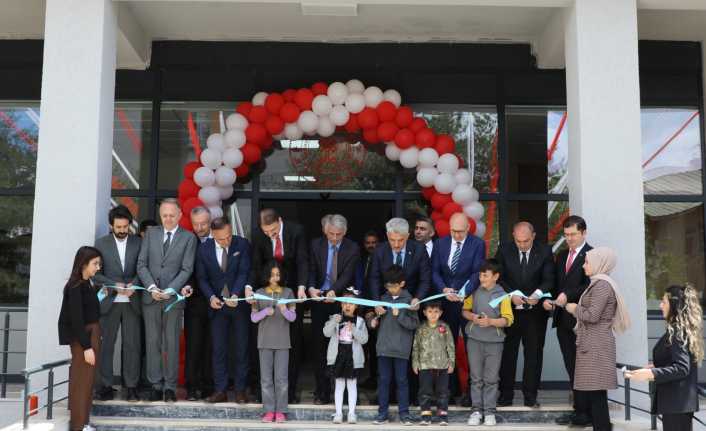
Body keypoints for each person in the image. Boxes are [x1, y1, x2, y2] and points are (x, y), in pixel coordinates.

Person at [137, 198, 197, 402]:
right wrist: (152, 287)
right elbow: (141, 264)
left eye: (172, 215)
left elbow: (187, 269)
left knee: (171, 343)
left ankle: (170, 387)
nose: (168, 219)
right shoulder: (151, 234)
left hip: (173, 299)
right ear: (160, 216)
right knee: (152, 342)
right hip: (151, 296)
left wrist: (171, 289)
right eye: (164, 215)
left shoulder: (189, 238)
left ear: (180, 215)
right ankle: (155, 384)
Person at [246, 208, 308, 403]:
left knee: (293, 342)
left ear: (280, 221)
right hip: (266, 290)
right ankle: (261, 392)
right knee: (262, 340)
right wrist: (249, 287)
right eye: (266, 232)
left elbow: (302, 261)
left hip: (291, 290)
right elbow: (255, 264)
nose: (270, 235)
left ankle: (290, 392)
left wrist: (301, 287)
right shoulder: (257, 234)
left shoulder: (296, 231)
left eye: (273, 231)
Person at [565, 247, 630, 431]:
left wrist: (573, 309)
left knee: (597, 396)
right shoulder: (598, 283)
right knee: (595, 395)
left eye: (587, 262)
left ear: (599, 263)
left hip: (596, 346)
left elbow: (593, 315)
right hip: (593, 344)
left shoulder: (601, 285)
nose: (584, 266)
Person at [626, 284, 703, 431]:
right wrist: (655, 367)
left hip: (677, 405)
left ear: (674, 305)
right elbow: (675, 361)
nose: (660, 305)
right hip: (677, 405)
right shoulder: (677, 330)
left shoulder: (677, 332)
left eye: (664, 302)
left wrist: (652, 374)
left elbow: (682, 368)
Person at [495, 221, 554, 407]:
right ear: (513, 236)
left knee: (534, 355)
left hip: (535, 313)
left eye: (526, 241)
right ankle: (505, 395)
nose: (522, 245)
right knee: (507, 354)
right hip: (510, 312)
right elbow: (499, 277)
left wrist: (537, 295)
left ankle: (531, 396)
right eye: (518, 241)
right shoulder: (504, 250)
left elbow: (549, 279)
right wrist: (512, 295)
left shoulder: (544, 251)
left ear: (533, 236)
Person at [195, 217, 251, 403]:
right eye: (221, 239)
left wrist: (236, 294)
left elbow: (244, 271)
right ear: (213, 235)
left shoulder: (241, 244)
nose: (226, 241)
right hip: (217, 307)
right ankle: (220, 390)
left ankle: (241, 390)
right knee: (219, 349)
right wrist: (210, 297)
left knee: (241, 348)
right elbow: (202, 278)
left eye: (228, 236)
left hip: (238, 305)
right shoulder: (204, 249)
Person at [432, 212, 485, 400]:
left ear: (468, 228)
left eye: (460, 232)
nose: (456, 235)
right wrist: (444, 289)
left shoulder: (478, 244)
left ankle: (471, 393)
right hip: (446, 303)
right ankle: (449, 390)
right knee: (447, 346)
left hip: (467, 303)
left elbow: (476, 272)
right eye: (453, 231)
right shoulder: (440, 243)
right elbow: (435, 271)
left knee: (472, 347)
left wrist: (463, 292)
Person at [308, 214, 361, 404]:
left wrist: (334, 291)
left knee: (344, 347)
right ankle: (322, 392)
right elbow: (312, 270)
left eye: (339, 234)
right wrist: (311, 287)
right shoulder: (316, 245)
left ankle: (345, 394)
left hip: (341, 302)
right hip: (319, 300)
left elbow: (347, 275)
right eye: (331, 234)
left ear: (345, 232)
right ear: (325, 231)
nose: (335, 238)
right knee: (319, 348)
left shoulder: (353, 248)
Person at [545, 215, 593, 426]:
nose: (569, 239)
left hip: (581, 320)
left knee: (582, 367)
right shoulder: (562, 254)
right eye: (566, 235)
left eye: (573, 234)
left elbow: (591, 285)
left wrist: (568, 295)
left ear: (583, 232)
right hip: (562, 319)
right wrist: (550, 300)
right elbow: (556, 284)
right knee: (571, 366)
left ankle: (586, 413)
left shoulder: (592, 254)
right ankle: (578, 410)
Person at [92, 205, 142, 402]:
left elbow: (144, 268)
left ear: (130, 224)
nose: (122, 230)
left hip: (132, 300)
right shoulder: (101, 243)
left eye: (125, 226)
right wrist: (114, 285)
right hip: (109, 302)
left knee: (132, 345)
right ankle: (105, 385)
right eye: (118, 227)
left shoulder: (139, 242)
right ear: (111, 225)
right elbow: (95, 274)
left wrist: (134, 284)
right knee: (107, 346)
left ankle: (131, 387)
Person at [462, 259, 513, 427]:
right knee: (476, 377)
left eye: (485, 276)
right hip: (475, 340)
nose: (482, 278)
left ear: (496, 277)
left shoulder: (503, 296)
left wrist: (491, 322)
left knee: (491, 378)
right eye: (480, 275)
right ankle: (476, 410)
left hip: (494, 342)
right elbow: (465, 311)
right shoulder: (475, 291)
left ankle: (490, 411)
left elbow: (508, 320)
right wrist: (473, 317)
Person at [58, 246, 102, 431]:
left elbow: (88, 310)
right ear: (84, 264)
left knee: (87, 381)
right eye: (95, 264)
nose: (98, 267)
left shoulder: (87, 284)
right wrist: (86, 347)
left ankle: (83, 423)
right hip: (84, 339)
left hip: (91, 336)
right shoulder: (75, 287)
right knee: (81, 382)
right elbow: (76, 319)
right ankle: (78, 425)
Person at [369, 265, 420, 425]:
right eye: (388, 286)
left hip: (401, 349)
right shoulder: (383, 300)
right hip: (383, 347)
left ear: (402, 284)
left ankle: (404, 414)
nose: (391, 289)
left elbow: (414, 324)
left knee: (402, 381)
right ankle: (382, 414)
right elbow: (373, 323)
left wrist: (400, 317)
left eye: (394, 286)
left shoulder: (410, 301)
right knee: (383, 381)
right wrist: (375, 317)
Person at [251, 261, 297, 423]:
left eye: (278, 275)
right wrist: (264, 312)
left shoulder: (288, 292)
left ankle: (281, 411)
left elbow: (293, 317)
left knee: (281, 379)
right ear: (266, 276)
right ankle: (269, 410)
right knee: (266, 379)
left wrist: (284, 310)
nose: (275, 278)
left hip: (283, 342)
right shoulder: (259, 292)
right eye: (272, 275)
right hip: (264, 342)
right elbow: (253, 318)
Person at [323, 288, 369, 424]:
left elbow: (364, 339)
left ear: (356, 306)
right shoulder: (335, 317)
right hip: (339, 354)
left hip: (352, 356)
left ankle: (351, 413)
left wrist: (353, 329)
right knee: (339, 385)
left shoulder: (360, 321)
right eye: (345, 303)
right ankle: (338, 413)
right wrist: (333, 322)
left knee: (352, 385)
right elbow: (326, 332)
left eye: (351, 303)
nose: (348, 306)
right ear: (341, 305)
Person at [184, 206, 214, 401]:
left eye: (203, 223)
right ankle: (192, 387)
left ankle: (209, 386)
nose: (200, 227)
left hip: (216, 302)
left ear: (210, 221)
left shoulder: (220, 238)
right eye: (196, 224)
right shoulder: (187, 240)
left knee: (213, 346)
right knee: (194, 346)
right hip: (194, 301)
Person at [411, 301, 455, 426]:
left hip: (442, 365)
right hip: (425, 365)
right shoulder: (421, 328)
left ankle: (443, 415)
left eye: (436, 312)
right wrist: (415, 363)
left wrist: (451, 362)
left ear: (441, 313)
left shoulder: (444, 327)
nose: (433, 314)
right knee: (425, 391)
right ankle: (426, 415)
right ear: (424, 312)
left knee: (443, 391)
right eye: (430, 311)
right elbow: (416, 347)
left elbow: (450, 346)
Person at [369, 217, 431, 304]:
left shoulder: (419, 250)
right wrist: (377, 302)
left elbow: (425, 279)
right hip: (386, 303)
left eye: (401, 240)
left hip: (411, 303)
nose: (396, 245)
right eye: (392, 240)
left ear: (407, 236)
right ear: (387, 235)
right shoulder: (379, 251)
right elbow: (374, 279)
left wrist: (418, 298)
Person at [357, 230, 380, 389]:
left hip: (376, 309)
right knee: (362, 345)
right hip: (361, 308)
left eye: (374, 242)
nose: (371, 245)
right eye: (368, 242)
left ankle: (377, 379)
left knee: (376, 345)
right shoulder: (361, 261)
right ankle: (368, 378)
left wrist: (372, 309)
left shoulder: (381, 259)